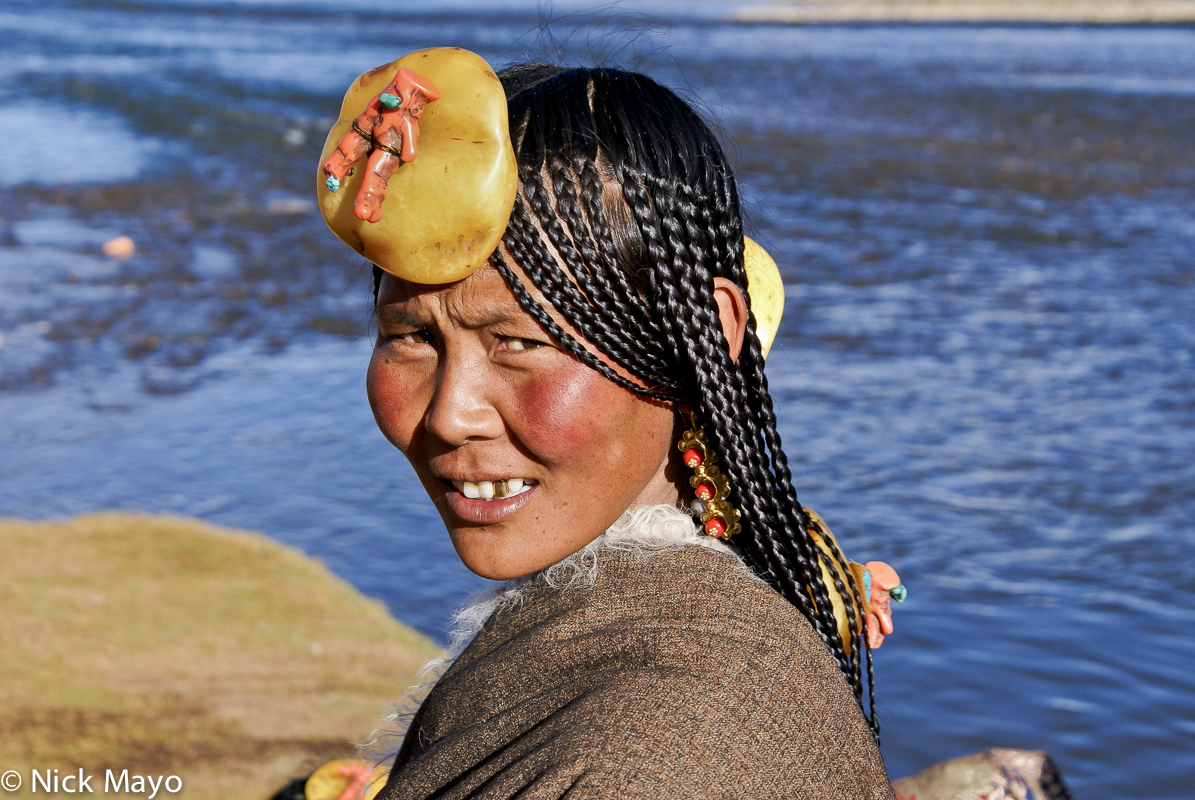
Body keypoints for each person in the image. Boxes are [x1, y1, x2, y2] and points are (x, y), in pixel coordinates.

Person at [314, 48, 904, 800]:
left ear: (703, 336)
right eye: (411, 337)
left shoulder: (654, 763)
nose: (449, 415)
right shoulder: (675, 646)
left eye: (520, 343)